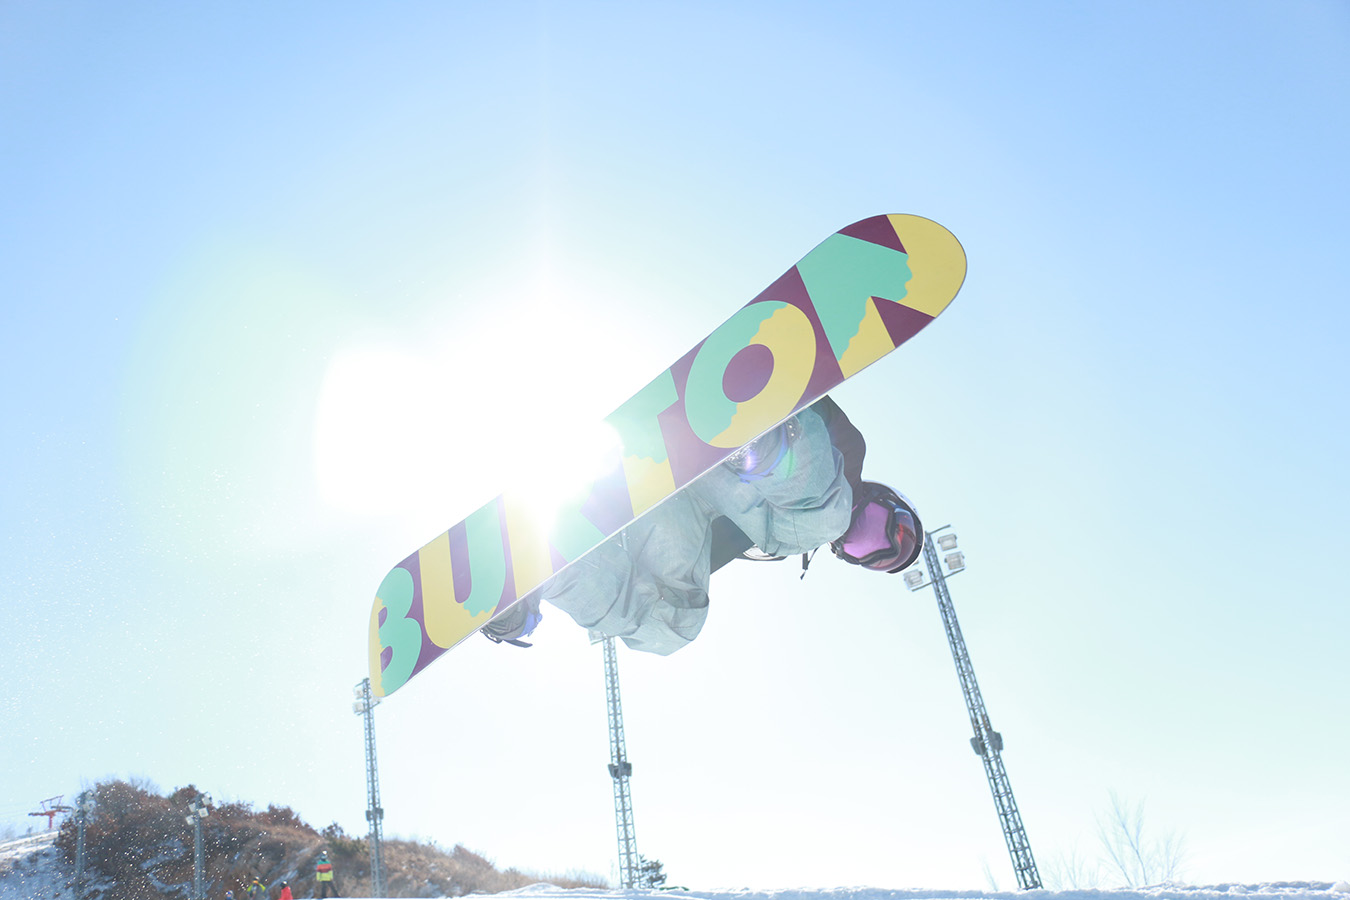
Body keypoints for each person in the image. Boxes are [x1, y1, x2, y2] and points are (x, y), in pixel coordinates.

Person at [487, 395, 920, 652]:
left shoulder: (773, 542)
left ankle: (541, 572)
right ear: (880, 497)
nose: (856, 537)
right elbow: (808, 385)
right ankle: (753, 438)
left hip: (678, 496)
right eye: (877, 526)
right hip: (739, 441)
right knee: (825, 519)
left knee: (678, 628)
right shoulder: (846, 453)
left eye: (863, 551)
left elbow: (675, 560)